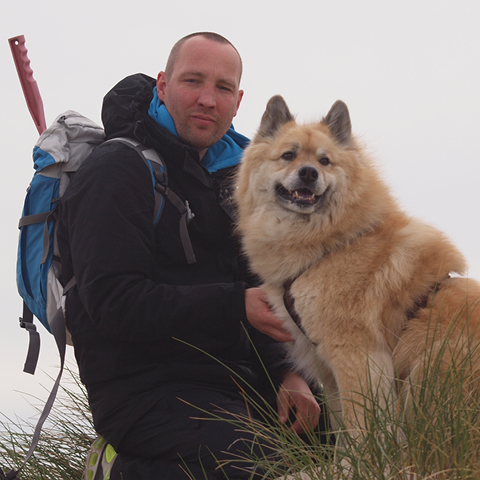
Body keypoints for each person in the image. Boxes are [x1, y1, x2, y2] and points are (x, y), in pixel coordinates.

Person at [58, 32, 326, 479]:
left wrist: (288, 375)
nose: (207, 99)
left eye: (222, 88)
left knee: (350, 439)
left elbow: (259, 296)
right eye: (192, 81)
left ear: (238, 102)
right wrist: (234, 304)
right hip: (145, 391)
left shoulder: (233, 179)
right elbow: (113, 304)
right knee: (261, 466)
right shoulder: (115, 171)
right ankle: (116, 467)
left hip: (235, 381)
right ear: (162, 86)